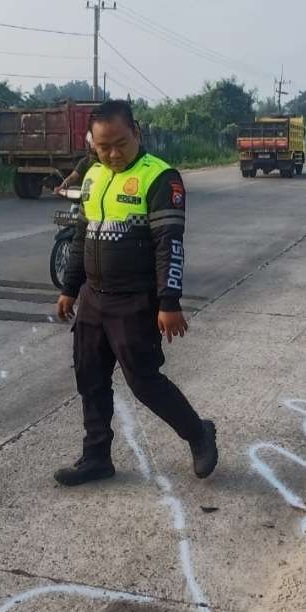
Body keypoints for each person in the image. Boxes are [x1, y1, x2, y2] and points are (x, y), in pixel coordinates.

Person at [55, 100, 218, 486]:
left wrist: (169, 302)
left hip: (135, 300)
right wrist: (69, 288)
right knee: (89, 376)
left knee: (144, 381)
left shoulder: (160, 177)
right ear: (91, 143)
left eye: (120, 144)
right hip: (94, 298)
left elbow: (169, 243)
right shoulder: (92, 176)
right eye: (103, 146)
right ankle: (96, 457)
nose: (112, 154)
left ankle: (199, 434)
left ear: (137, 134)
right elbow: (82, 235)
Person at [55, 131, 97, 196]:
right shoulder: (85, 162)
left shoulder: (109, 161)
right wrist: (62, 187)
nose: (96, 145)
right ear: (89, 144)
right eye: (94, 142)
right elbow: (73, 177)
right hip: (88, 196)